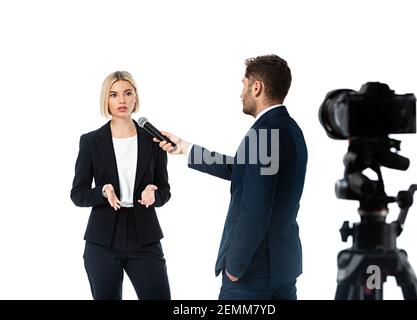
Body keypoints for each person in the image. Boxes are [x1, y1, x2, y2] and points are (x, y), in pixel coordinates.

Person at [156, 55, 308, 300]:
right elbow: (246, 170)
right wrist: (186, 148)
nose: (241, 93)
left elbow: (256, 208)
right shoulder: (290, 128)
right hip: (283, 268)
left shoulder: (264, 133)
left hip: (251, 273)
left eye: (244, 84)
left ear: (256, 87)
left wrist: (235, 266)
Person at [70, 71, 171, 300]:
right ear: (106, 100)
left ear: (136, 97)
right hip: (102, 241)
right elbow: (78, 194)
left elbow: (164, 191)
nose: (122, 100)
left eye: (128, 93)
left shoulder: (153, 140)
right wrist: (103, 192)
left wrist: (153, 193)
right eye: (114, 95)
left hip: (145, 237)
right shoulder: (90, 141)